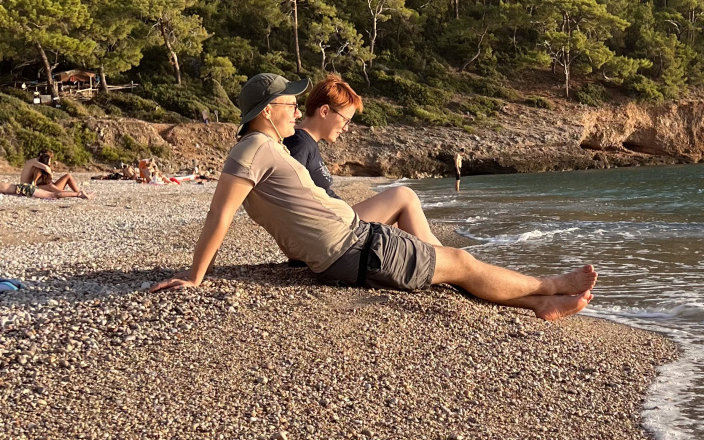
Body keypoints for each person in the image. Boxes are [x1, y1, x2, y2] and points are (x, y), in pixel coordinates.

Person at [152, 71, 596, 319]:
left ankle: (539, 302)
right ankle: (550, 286)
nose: (295, 109)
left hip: (352, 241)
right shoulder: (252, 149)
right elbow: (220, 214)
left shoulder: (263, 148)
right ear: (268, 112)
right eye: (289, 104)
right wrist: (196, 276)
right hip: (353, 248)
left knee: (453, 266)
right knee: (459, 262)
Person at [286, 76, 444, 247]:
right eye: (346, 120)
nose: (346, 128)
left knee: (401, 226)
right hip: (327, 232)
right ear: (324, 111)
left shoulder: (306, 143)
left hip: (334, 223)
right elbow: (290, 196)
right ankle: (447, 262)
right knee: (404, 196)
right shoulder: (299, 143)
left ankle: (446, 258)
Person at [17, 151, 91, 199]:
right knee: (52, 187)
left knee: (68, 176)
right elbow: (34, 183)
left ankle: (79, 193)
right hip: (29, 187)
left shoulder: (39, 166)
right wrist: (50, 173)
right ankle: (78, 194)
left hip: (43, 186)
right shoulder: (33, 163)